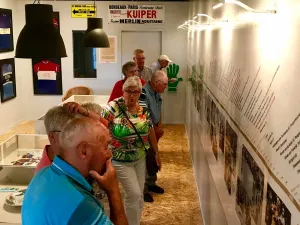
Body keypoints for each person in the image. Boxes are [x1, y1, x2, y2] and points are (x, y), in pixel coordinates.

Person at [65, 76, 161, 225]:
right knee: (134, 194)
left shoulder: (143, 110)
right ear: (123, 92)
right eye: (128, 91)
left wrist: (156, 152)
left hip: (139, 157)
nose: (131, 95)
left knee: (139, 195)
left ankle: (135, 220)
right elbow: (100, 119)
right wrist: (84, 111)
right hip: (120, 159)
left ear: (139, 93)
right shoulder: (114, 107)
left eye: (135, 92)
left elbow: (150, 131)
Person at [22, 117, 128, 225]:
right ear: (83, 151)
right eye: (106, 147)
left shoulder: (41, 174)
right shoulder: (82, 205)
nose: (109, 154)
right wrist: (113, 191)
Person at [35, 103, 104, 174]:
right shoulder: (48, 174)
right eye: (69, 133)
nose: (76, 138)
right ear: (52, 137)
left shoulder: (65, 156)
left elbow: (106, 130)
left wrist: (86, 112)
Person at [141, 70, 168, 203]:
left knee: (152, 158)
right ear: (157, 83)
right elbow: (145, 117)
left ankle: (151, 183)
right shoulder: (144, 93)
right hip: (146, 131)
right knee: (146, 158)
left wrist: (159, 126)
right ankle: (143, 189)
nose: (166, 87)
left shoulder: (157, 92)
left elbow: (159, 109)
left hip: (155, 129)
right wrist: (155, 129)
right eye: (164, 84)